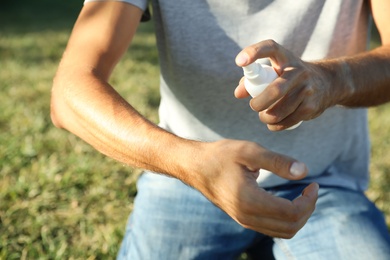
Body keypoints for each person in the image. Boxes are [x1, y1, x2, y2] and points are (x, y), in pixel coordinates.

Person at [50, 0, 390, 259]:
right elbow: (70, 92)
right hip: (184, 179)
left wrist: (333, 79)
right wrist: (189, 163)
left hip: (322, 184)